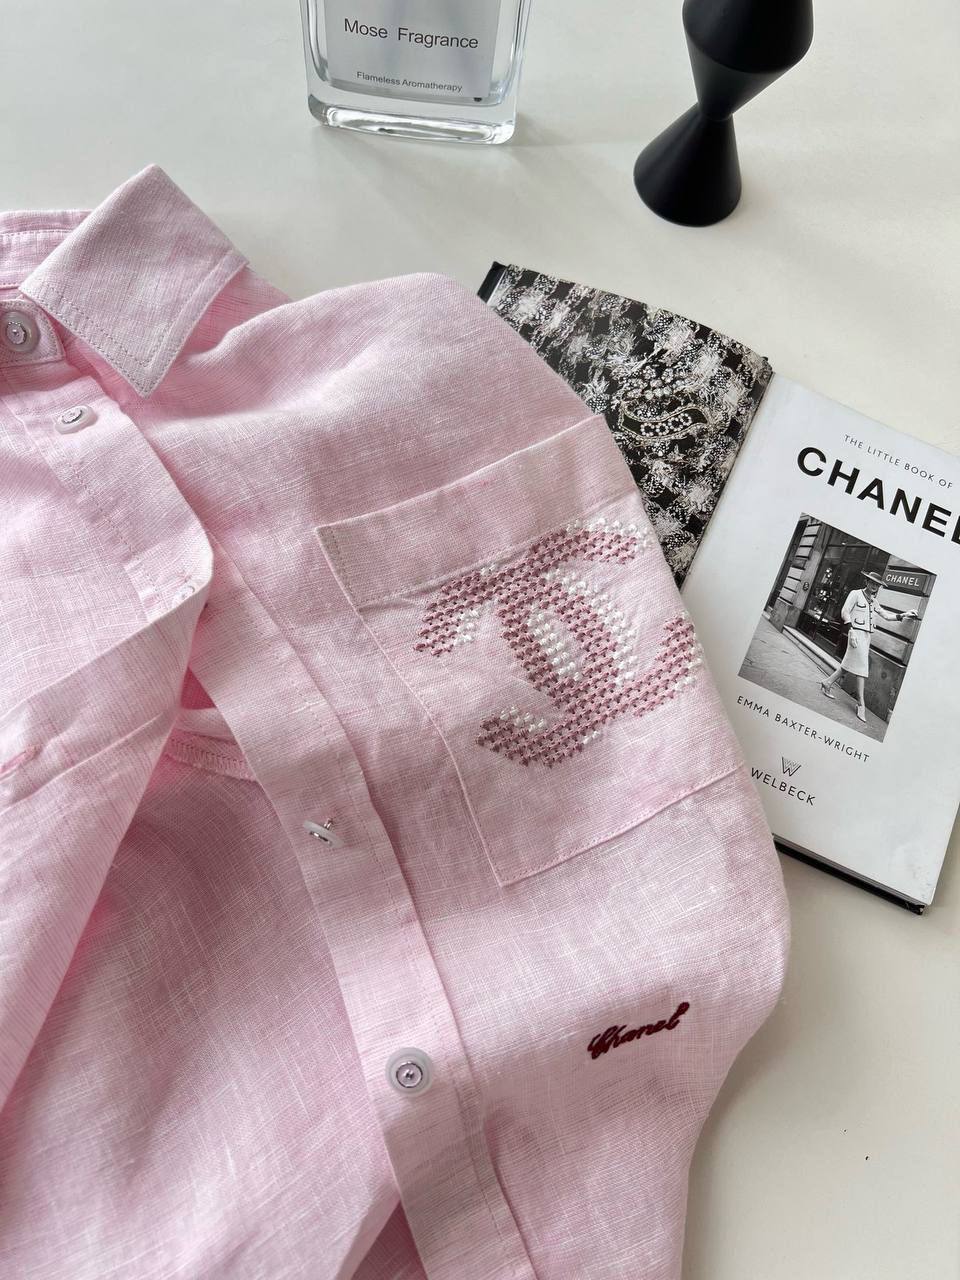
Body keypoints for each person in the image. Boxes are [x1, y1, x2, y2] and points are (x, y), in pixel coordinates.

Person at [819, 571, 920, 722]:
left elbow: (886, 616)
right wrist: (851, 630)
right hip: (855, 634)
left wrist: (904, 615)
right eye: (872, 582)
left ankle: (827, 682)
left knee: (847, 666)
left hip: (866, 637)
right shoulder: (855, 594)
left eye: (877, 585)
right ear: (866, 582)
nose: (874, 586)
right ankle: (861, 704)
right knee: (862, 669)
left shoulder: (874, 602)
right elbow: (845, 611)